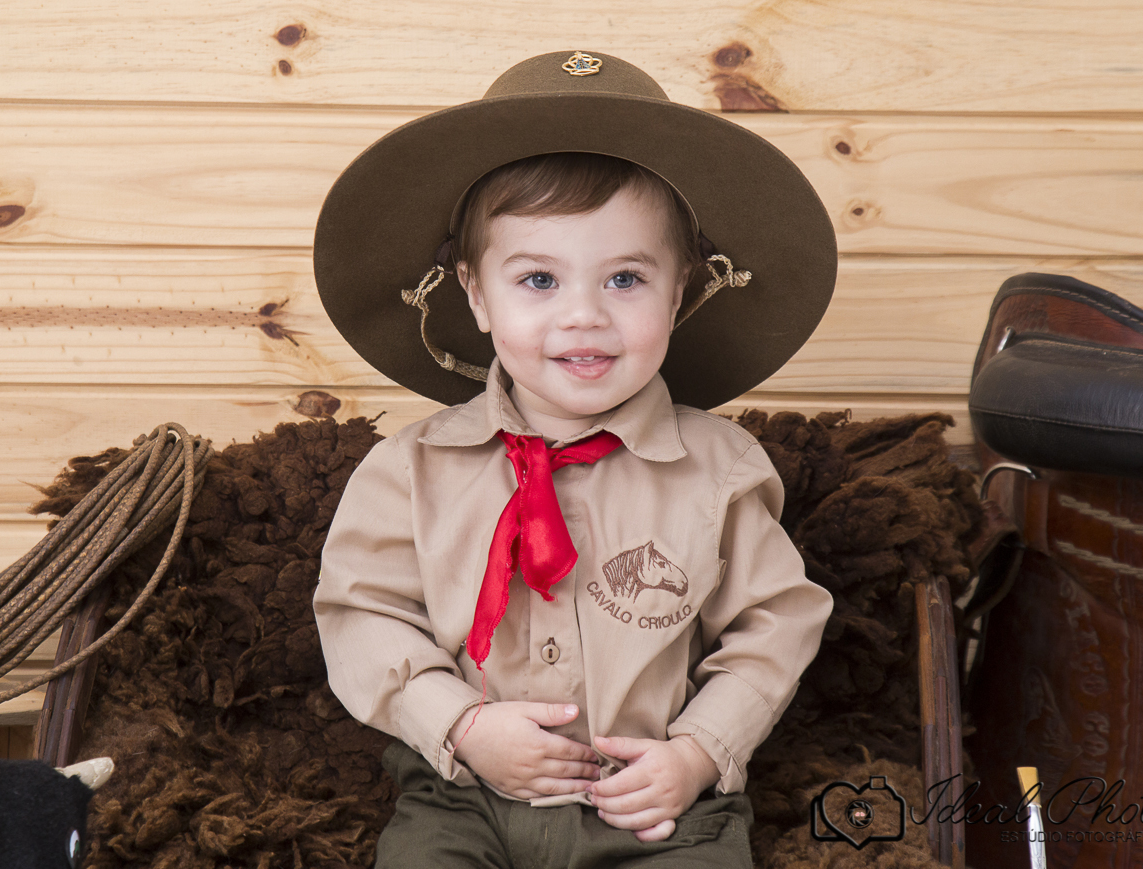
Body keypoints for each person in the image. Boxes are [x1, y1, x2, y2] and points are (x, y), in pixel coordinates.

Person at [312, 50, 838, 868]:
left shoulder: (722, 467)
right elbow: (362, 614)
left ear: (682, 291)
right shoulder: (409, 469)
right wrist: (461, 722)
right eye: (538, 280)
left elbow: (773, 626)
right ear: (477, 296)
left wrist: (697, 753)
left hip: (654, 806)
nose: (584, 316)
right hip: (465, 794)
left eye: (625, 278)